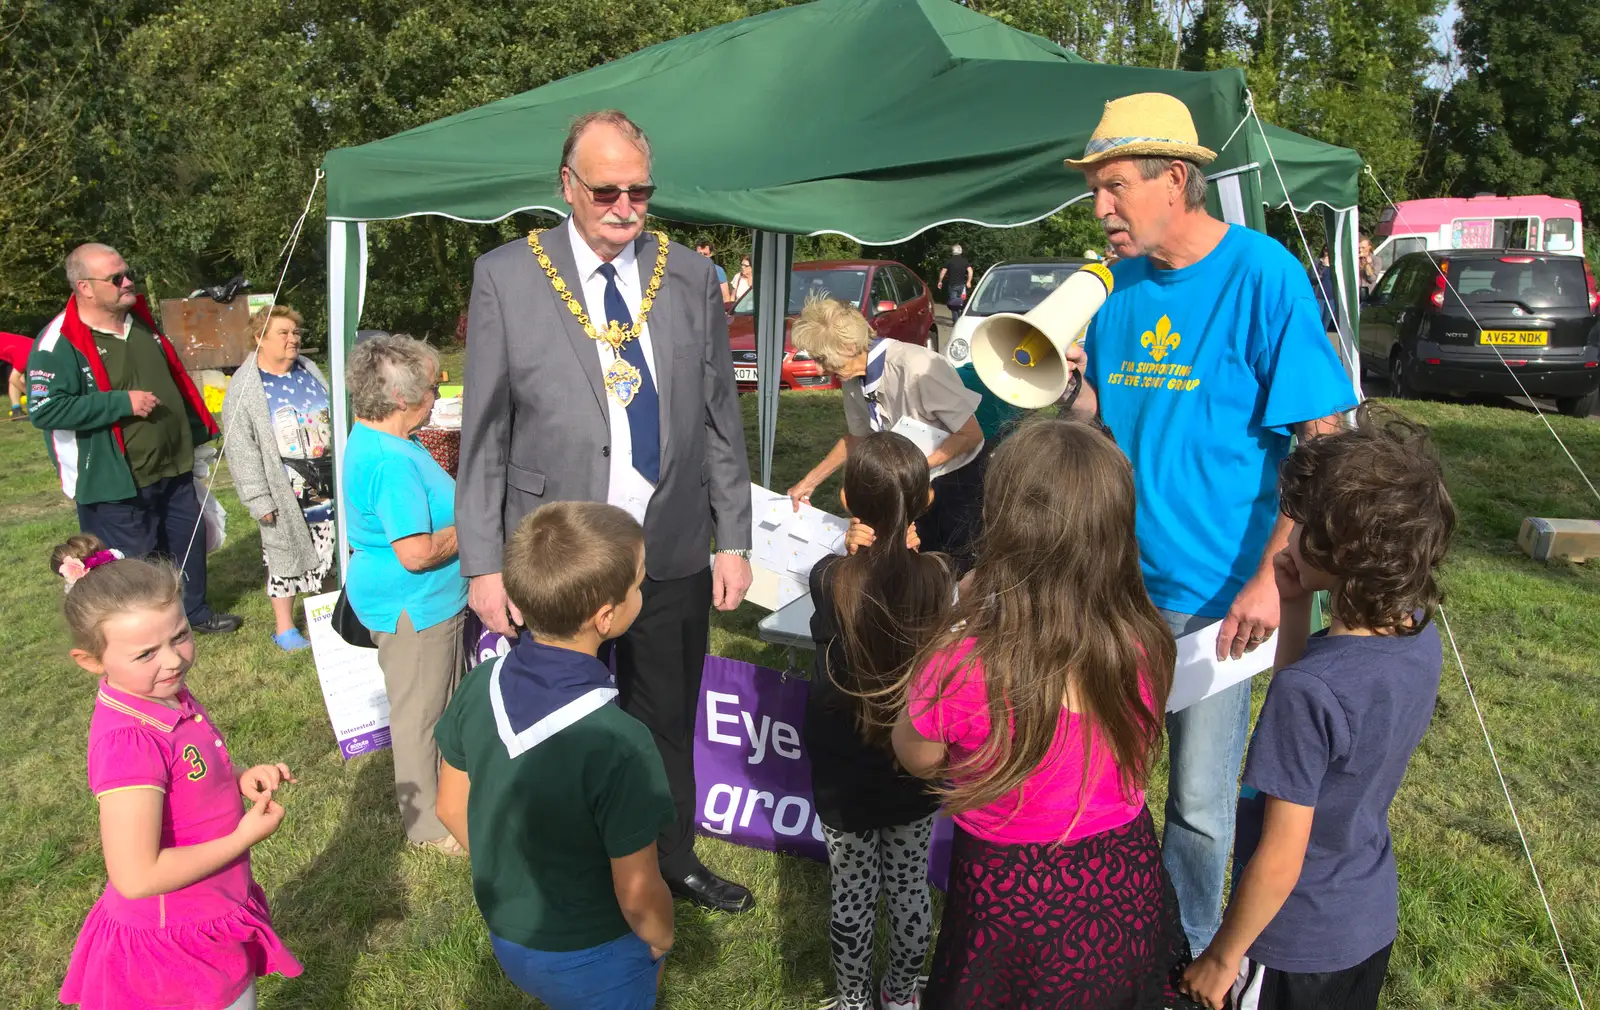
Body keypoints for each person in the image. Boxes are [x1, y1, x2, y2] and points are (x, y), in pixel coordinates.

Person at [1062, 92, 1358, 952]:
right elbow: (1100, 418)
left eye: (1114, 187)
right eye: (1095, 191)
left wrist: (1276, 570)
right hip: (1114, 588)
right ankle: (1108, 929)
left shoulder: (1263, 275)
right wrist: (1055, 387)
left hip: (1219, 599)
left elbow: (1322, 436)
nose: (1100, 209)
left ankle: (1188, 952)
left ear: (1177, 180)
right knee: (1103, 775)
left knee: (1196, 800)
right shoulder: (1115, 292)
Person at [459, 109, 755, 913]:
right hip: (560, 554)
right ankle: (573, 865)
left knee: (667, 716)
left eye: (640, 191)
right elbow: (483, 433)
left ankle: (671, 858)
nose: (625, 207)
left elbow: (721, 417)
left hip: (671, 548)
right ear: (567, 186)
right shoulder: (508, 276)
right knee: (564, 717)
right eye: (606, 192)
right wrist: (484, 563)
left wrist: (734, 537)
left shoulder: (688, 275)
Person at [892, 418, 1193, 1009]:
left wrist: (957, 620)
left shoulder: (961, 660)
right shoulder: (1146, 640)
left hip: (1008, 904)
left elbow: (916, 756)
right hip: (1125, 883)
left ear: (1004, 523)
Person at [1180, 407, 1455, 1010]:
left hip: (1290, 941)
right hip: (1365, 919)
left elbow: (1281, 856)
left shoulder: (1307, 696)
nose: (1290, 536)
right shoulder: (1415, 633)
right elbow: (1322, 702)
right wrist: (1296, 602)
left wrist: (1223, 958)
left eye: (1302, 527)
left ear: (1342, 549)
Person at [435, 502, 675, 1010]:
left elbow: (450, 808)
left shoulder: (480, 684)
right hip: (598, 954)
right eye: (638, 583)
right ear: (606, 617)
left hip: (509, 933)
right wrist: (661, 937)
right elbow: (637, 892)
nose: (642, 589)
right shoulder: (622, 742)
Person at [52, 534, 301, 1010]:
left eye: (181, 635)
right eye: (145, 653)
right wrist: (242, 837)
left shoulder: (159, 691)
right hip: (175, 948)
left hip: (208, 910)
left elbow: (189, 772)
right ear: (91, 661)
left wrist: (238, 776)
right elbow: (137, 875)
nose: (172, 659)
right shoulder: (129, 743)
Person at [29, 244, 242, 635]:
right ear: (85, 287)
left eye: (127, 273)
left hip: (173, 465)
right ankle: (148, 632)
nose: (129, 283)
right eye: (116, 278)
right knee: (135, 562)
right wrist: (118, 403)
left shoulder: (139, 323)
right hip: (115, 480)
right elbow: (45, 410)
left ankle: (194, 613)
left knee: (186, 544)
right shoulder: (59, 342)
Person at [805, 432, 949, 1010]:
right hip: (913, 761)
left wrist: (853, 554)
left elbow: (843, 589)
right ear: (925, 503)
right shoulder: (939, 577)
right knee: (910, 890)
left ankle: (851, 1000)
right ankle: (900, 993)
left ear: (846, 498)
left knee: (853, 894)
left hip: (843, 767)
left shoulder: (827, 577)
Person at [344, 332, 468, 854]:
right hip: (414, 607)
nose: (437, 395)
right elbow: (416, 553)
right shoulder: (390, 460)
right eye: (430, 388)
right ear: (400, 398)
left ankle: (452, 799)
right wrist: (476, 525)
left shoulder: (386, 441)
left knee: (440, 705)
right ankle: (425, 828)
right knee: (421, 717)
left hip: (422, 603)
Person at [785, 298, 987, 572]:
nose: (820, 370)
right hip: (910, 482)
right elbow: (856, 437)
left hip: (957, 483)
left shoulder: (918, 366)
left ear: (849, 347)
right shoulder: (852, 377)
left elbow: (970, 435)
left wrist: (911, 467)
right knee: (911, 568)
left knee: (955, 569)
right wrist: (810, 481)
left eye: (822, 359)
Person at [220, 305, 335, 652]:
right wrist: (258, 498)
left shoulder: (308, 370)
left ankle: (329, 619)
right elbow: (241, 448)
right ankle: (285, 629)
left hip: (324, 475)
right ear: (259, 339)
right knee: (283, 555)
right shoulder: (246, 386)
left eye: (296, 333)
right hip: (283, 485)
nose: (293, 339)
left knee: (330, 547)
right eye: (283, 333)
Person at [1, 330, 33, 419]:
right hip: (20, 351)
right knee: (16, 378)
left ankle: (16, 411)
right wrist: (31, 395)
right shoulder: (27, 355)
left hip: (17, 349)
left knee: (18, 376)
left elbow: (19, 378)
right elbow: (13, 379)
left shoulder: (35, 348)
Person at [936, 245, 972, 320]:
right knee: (961, 302)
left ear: (952, 252)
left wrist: (940, 281)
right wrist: (969, 281)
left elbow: (943, 271)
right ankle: (961, 318)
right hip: (962, 286)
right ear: (961, 251)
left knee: (953, 304)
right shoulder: (964, 261)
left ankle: (956, 320)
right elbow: (970, 271)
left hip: (952, 285)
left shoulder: (949, 261)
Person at [1309, 246, 1336, 331]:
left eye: (1329, 250)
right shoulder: (1317, 262)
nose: (1326, 252)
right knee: (1316, 321)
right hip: (1319, 297)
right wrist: (1323, 267)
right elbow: (1313, 278)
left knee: (1325, 323)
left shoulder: (1336, 264)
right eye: (1325, 250)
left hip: (1331, 298)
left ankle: (1321, 342)